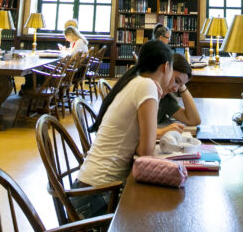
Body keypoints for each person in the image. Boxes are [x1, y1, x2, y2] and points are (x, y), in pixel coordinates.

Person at [76, 40, 181, 218]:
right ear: (165, 67)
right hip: (96, 200)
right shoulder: (146, 86)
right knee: (165, 213)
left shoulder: (135, 81)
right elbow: (145, 152)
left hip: (85, 192)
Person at [156, 54, 200, 126]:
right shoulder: (145, 90)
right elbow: (137, 130)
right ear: (165, 68)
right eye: (176, 80)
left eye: (180, 86)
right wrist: (162, 132)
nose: (175, 90)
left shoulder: (165, 100)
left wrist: (182, 87)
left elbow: (194, 120)